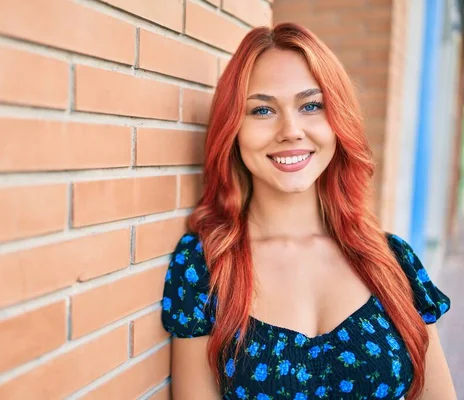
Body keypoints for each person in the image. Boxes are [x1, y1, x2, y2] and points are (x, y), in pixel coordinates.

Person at [160, 23, 456, 399]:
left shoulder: (393, 261)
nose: (291, 130)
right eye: (263, 110)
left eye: (311, 105)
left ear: (338, 121)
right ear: (232, 129)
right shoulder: (204, 265)